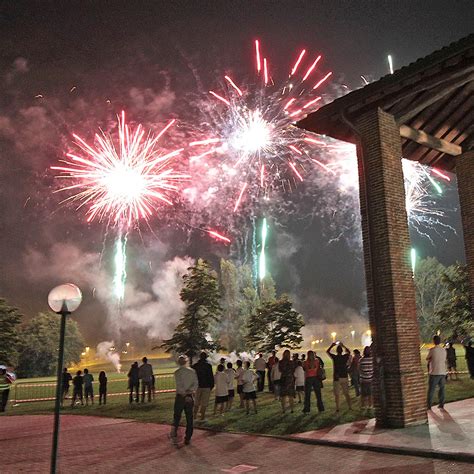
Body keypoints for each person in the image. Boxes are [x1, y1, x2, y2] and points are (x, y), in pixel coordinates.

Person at [171, 355, 198, 446]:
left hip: (180, 396)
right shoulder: (192, 371)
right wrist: (189, 392)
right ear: (186, 361)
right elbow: (196, 384)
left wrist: (184, 393)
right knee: (189, 418)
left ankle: (175, 434)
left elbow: (179, 385)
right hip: (190, 396)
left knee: (177, 416)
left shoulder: (177, 372)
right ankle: (188, 437)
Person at [327, 342, 352, 412]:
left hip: (337, 377)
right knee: (346, 393)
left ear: (336, 351)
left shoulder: (335, 357)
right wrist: (343, 345)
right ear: (342, 351)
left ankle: (337, 408)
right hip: (344, 376)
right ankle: (350, 406)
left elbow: (327, 351)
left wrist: (332, 345)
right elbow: (349, 351)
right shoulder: (345, 357)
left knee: (337, 394)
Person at [192, 352, 214, 421]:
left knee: (196, 402)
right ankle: (202, 416)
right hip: (206, 386)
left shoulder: (195, 366)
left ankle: (194, 416)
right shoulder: (208, 366)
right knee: (204, 402)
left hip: (197, 386)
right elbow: (211, 377)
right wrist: (211, 386)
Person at [427, 335, 447, 409]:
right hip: (442, 372)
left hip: (434, 372)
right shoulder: (443, 350)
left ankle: (429, 405)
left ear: (434, 341)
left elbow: (427, 358)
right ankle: (441, 403)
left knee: (431, 390)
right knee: (442, 389)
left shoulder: (432, 350)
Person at [279, 349, 296, 414]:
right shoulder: (291, 362)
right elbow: (293, 370)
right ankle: (292, 409)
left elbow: (280, 370)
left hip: (283, 379)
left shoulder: (281, 362)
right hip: (290, 379)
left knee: (283, 396)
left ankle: (283, 409)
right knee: (290, 395)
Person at [359, 346, 374, 410]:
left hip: (363, 379)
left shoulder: (361, 360)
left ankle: (363, 405)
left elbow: (359, 369)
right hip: (370, 379)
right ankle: (370, 405)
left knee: (363, 394)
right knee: (370, 394)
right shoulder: (372, 360)